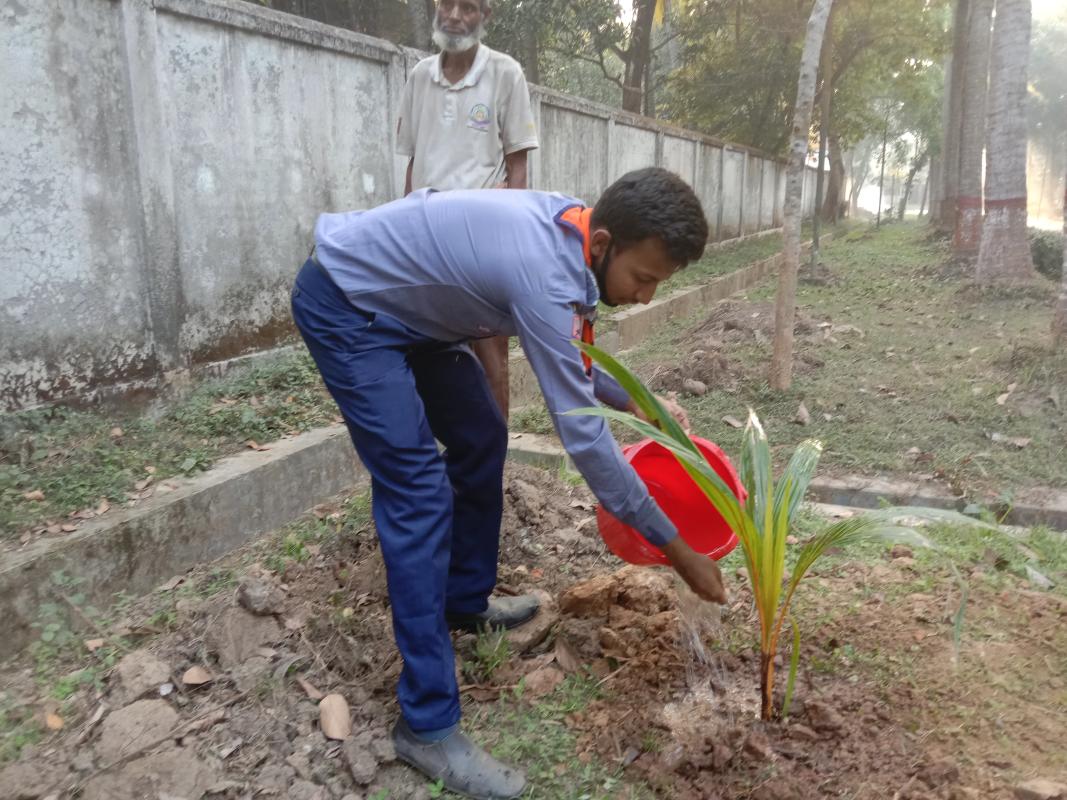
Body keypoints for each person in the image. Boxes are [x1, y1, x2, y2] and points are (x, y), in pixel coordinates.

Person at [291, 167, 727, 800]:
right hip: (348, 306)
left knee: (480, 434)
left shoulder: (573, 237)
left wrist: (640, 402)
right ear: (603, 246)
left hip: (414, 316)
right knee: (417, 493)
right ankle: (427, 725)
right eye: (643, 278)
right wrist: (676, 549)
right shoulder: (547, 271)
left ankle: (463, 602)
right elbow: (584, 438)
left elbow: (572, 357)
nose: (646, 297)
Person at [396, 0, 539, 420]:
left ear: (485, 17)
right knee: (426, 352)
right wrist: (404, 230)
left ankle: (494, 465)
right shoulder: (419, 77)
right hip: (425, 240)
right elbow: (412, 160)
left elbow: (518, 164)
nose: (455, 14)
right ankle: (446, 461)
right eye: (447, 3)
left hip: (481, 244)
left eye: (469, 6)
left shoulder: (505, 73)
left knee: (491, 356)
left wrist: (508, 241)